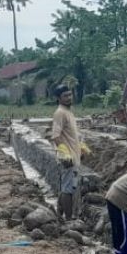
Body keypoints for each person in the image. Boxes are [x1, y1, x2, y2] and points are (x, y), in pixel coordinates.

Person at [50, 85, 90, 220]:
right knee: (68, 190)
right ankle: (68, 219)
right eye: (65, 96)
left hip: (73, 154)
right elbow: (56, 136)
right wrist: (65, 154)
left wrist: (81, 148)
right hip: (68, 158)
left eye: (70, 95)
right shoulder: (60, 113)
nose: (69, 98)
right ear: (58, 98)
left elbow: (72, 135)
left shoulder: (69, 111)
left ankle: (59, 214)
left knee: (67, 187)